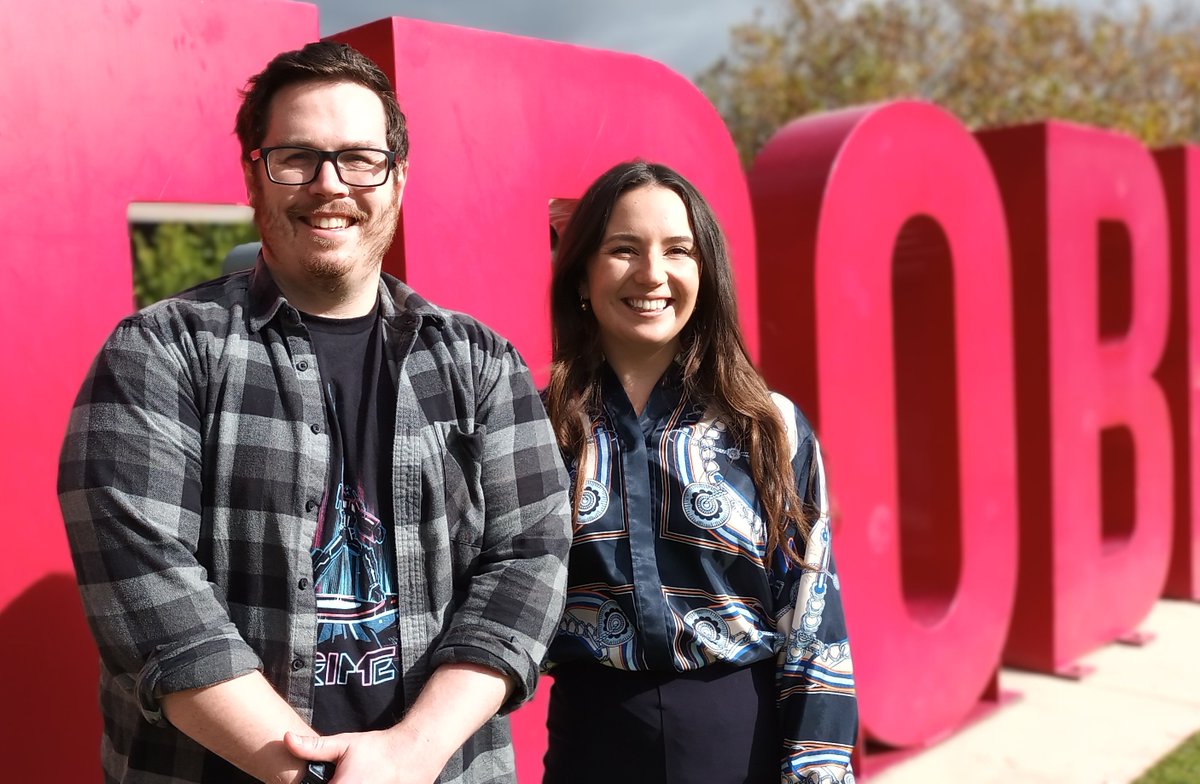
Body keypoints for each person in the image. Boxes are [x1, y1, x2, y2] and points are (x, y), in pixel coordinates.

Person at [57, 42, 572, 784]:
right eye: (297, 157)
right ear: (253, 177)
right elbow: (148, 597)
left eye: (360, 158)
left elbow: (531, 557)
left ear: (397, 178)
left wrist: (409, 756)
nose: (330, 185)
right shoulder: (160, 354)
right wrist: (316, 776)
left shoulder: (480, 363)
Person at [541, 161, 857, 783]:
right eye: (623, 249)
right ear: (582, 272)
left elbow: (812, 620)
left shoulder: (769, 426)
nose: (652, 274)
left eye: (678, 251)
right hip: (589, 741)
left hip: (740, 742)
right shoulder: (534, 425)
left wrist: (818, 769)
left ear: (705, 272)